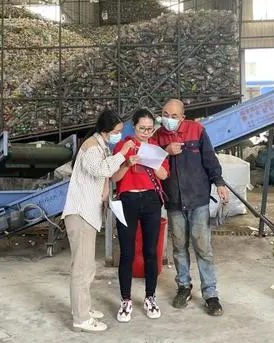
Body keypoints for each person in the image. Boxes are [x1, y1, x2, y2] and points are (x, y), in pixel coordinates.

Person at [153, 99, 228, 316]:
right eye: (165, 114)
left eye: (174, 116)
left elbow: (210, 160)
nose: (168, 119)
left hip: (198, 200)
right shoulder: (158, 136)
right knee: (179, 248)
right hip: (174, 201)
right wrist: (165, 151)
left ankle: (210, 294)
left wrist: (219, 183)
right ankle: (184, 287)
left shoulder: (197, 130)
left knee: (203, 248)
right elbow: (150, 161)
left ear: (183, 117)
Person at [62, 109, 135, 332]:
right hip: (81, 214)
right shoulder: (92, 147)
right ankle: (81, 319)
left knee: (88, 267)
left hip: (88, 215)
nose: (119, 136)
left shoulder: (101, 145)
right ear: (105, 130)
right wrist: (123, 154)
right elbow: (100, 169)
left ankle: (82, 308)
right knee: (82, 269)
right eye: (116, 132)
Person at [111, 109, 169, 322]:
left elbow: (164, 175)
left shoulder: (155, 148)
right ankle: (125, 299)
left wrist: (151, 161)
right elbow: (114, 177)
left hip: (151, 200)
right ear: (133, 126)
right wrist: (128, 163)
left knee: (150, 251)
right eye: (141, 128)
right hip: (128, 200)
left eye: (149, 129)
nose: (145, 132)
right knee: (127, 252)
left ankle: (150, 297)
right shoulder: (123, 146)